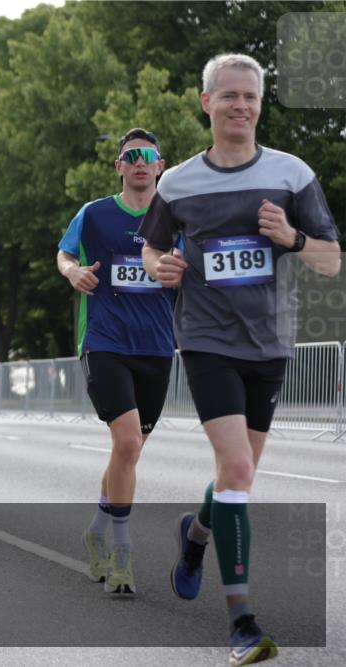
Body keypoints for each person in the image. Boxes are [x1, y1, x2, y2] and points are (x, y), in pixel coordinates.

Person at [139, 54, 341, 666]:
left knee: (236, 475)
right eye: (228, 96)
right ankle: (242, 623)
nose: (241, 107)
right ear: (206, 103)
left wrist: (293, 239)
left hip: (271, 345)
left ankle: (195, 535)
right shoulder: (176, 183)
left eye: (250, 97)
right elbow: (151, 249)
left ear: (260, 104)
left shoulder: (292, 174)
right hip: (205, 341)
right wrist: (160, 268)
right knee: (238, 471)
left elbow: (332, 260)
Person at [57, 128, 174, 595]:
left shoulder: (176, 218)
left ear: (161, 166)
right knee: (126, 442)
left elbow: (190, 272)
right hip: (104, 341)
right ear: (120, 166)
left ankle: (95, 531)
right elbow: (64, 253)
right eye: (132, 156)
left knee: (130, 450)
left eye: (149, 155)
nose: (141, 162)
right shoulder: (94, 214)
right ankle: (122, 556)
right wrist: (73, 272)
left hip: (158, 347)